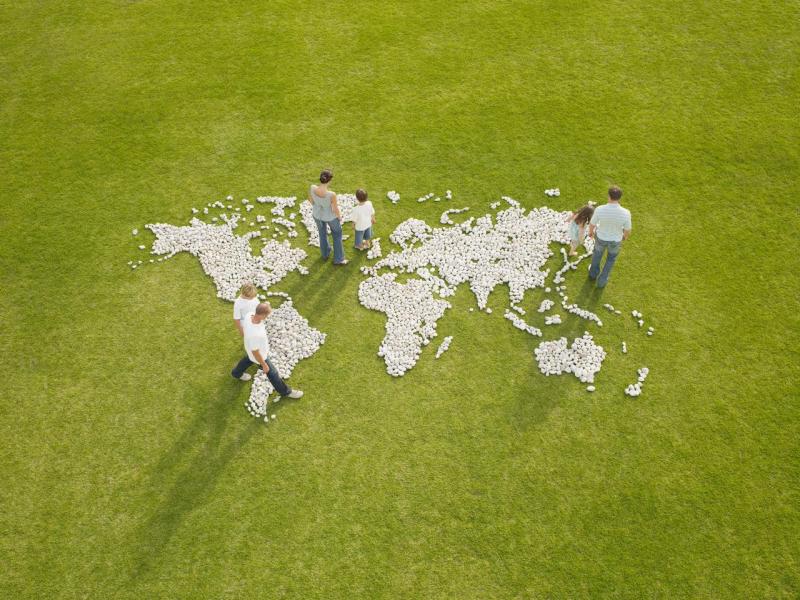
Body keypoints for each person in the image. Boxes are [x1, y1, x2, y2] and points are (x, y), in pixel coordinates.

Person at [230, 302, 304, 399]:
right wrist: (264, 364)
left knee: (248, 359)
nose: (267, 317)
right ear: (262, 315)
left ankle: (236, 373)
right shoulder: (255, 334)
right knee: (273, 374)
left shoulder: (249, 315)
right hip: (260, 355)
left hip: (249, 348)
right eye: (267, 315)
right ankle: (286, 392)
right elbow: (255, 352)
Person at [588, 186, 632, 288]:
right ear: (619, 198)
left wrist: (591, 232)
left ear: (609, 196)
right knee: (611, 259)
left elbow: (592, 223)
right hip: (615, 240)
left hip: (601, 238)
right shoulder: (626, 213)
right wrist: (624, 237)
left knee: (597, 255)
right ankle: (602, 282)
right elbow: (628, 229)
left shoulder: (600, 209)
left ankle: (592, 275)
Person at [306, 169, 347, 265]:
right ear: (330, 180)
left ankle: (325, 253)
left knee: (322, 233)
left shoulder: (312, 187)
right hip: (330, 217)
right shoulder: (331, 194)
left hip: (317, 215)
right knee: (337, 235)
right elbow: (335, 209)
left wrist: (317, 206)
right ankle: (339, 259)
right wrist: (339, 217)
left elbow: (310, 200)